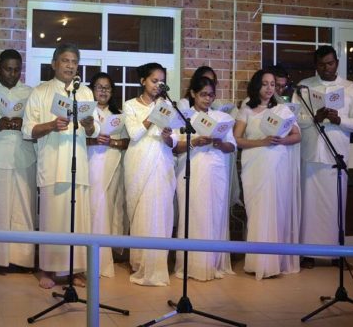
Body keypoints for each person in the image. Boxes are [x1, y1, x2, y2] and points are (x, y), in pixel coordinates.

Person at [21, 43, 99, 289]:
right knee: (53, 220)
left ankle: (76, 270)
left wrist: (87, 124)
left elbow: (94, 129)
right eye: (65, 61)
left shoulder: (84, 92)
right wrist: (51, 126)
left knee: (78, 221)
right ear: (54, 63)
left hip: (79, 168)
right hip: (52, 164)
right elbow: (27, 129)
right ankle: (48, 269)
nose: (70, 66)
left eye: (74, 62)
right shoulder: (41, 91)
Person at [294, 46, 353, 269]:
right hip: (311, 154)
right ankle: (307, 253)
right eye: (321, 64)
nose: (326, 68)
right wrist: (314, 117)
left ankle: (337, 254)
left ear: (337, 61)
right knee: (309, 206)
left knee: (335, 206)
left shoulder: (351, 89)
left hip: (336, 154)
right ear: (315, 65)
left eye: (330, 63)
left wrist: (339, 120)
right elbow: (295, 119)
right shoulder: (304, 87)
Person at [233, 69, 301, 280]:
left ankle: (273, 263)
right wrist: (261, 142)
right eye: (265, 84)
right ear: (256, 86)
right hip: (254, 165)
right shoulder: (246, 110)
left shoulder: (282, 110)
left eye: (272, 84)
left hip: (276, 164)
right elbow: (237, 139)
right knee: (257, 211)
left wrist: (281, 140)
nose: (270, 88)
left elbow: (297, 135)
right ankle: (256, 262)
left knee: (275, 209)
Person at [174, 76, 236, 282]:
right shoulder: (184, 117)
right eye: (203, 94)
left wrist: (218, 142)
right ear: (193, 94)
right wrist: (195, 141)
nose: (207, 99)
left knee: (215, 213)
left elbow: (232, 146)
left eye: (211, 95)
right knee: (193, 214)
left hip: (216, 169)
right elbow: (174, 147)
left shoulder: (221, 117)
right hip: (191, 169)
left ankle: (211, 264)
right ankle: (191, 265)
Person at [123, 63, 177, 286]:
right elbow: (134, 134)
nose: (158, 85)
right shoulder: (129, 105)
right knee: (142, 213)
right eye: (154, 81)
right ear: (143, 81)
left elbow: (174, 141)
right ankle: (140, 264)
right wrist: (153, 116)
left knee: (160, 214)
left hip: (162, 163)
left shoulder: (168, 105)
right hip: (138, 162)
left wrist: (167, 136)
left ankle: (156, 266)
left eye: (161, 82)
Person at [0, 49, 36, 270]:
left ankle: (22, 260)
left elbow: (35, 120)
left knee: (23, 207)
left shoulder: (30, 92)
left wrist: (21, 123)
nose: (12, 74)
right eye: (8, 69)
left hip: (23, 154)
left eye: (17, 69)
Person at [86, 72, 129, 278]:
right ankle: (85, 262)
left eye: (107, 88)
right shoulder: (86, 111)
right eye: (99, 87)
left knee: (107, 210)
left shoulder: (118, 115)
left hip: (112, 165)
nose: (103, 91)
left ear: (112, 92)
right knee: (91, 209)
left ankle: (104, 261)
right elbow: (76, 139)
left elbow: (127, 142)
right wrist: (94, 141)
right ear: (92, 89)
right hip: (90, 165)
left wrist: (111, 142)